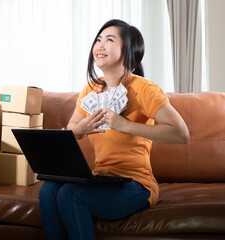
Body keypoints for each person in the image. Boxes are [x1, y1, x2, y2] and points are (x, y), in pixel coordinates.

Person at [38, 19, 189, 240]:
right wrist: (81, 129)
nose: (99, 46)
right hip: (101, 179)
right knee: (49, 188)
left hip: (136, 184)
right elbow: (72, 127)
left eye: (109, 40)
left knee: (71, 194)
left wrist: (125, 125)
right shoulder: (92, 88)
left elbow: (181, 133)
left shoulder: (144, 89)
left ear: (128, 51)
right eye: (98, 40)